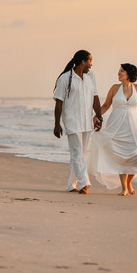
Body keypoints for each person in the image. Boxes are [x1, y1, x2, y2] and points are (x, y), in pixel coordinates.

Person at [88, 63, 137, 196]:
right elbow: (106, 105)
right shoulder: (114, 88)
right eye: (119, 71)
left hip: (134, 126)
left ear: (129, 74)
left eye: (122, 71)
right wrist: (97, 116)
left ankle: (129, 182)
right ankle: (124, 188)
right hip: (116, 125)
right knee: (119, 154)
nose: (119, 73)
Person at [53, 50, 102, 194]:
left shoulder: (90, 77)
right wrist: (57, 124)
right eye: (90, 61)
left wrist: (99, 116)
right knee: (77, 153)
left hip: (86, 121)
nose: (91, 65)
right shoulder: (65, 78)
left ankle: (70, 184)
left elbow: (95, 98)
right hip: (72, 121)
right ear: (83, 61)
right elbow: (59, 102)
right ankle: (84, 183)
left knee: (81, 153)